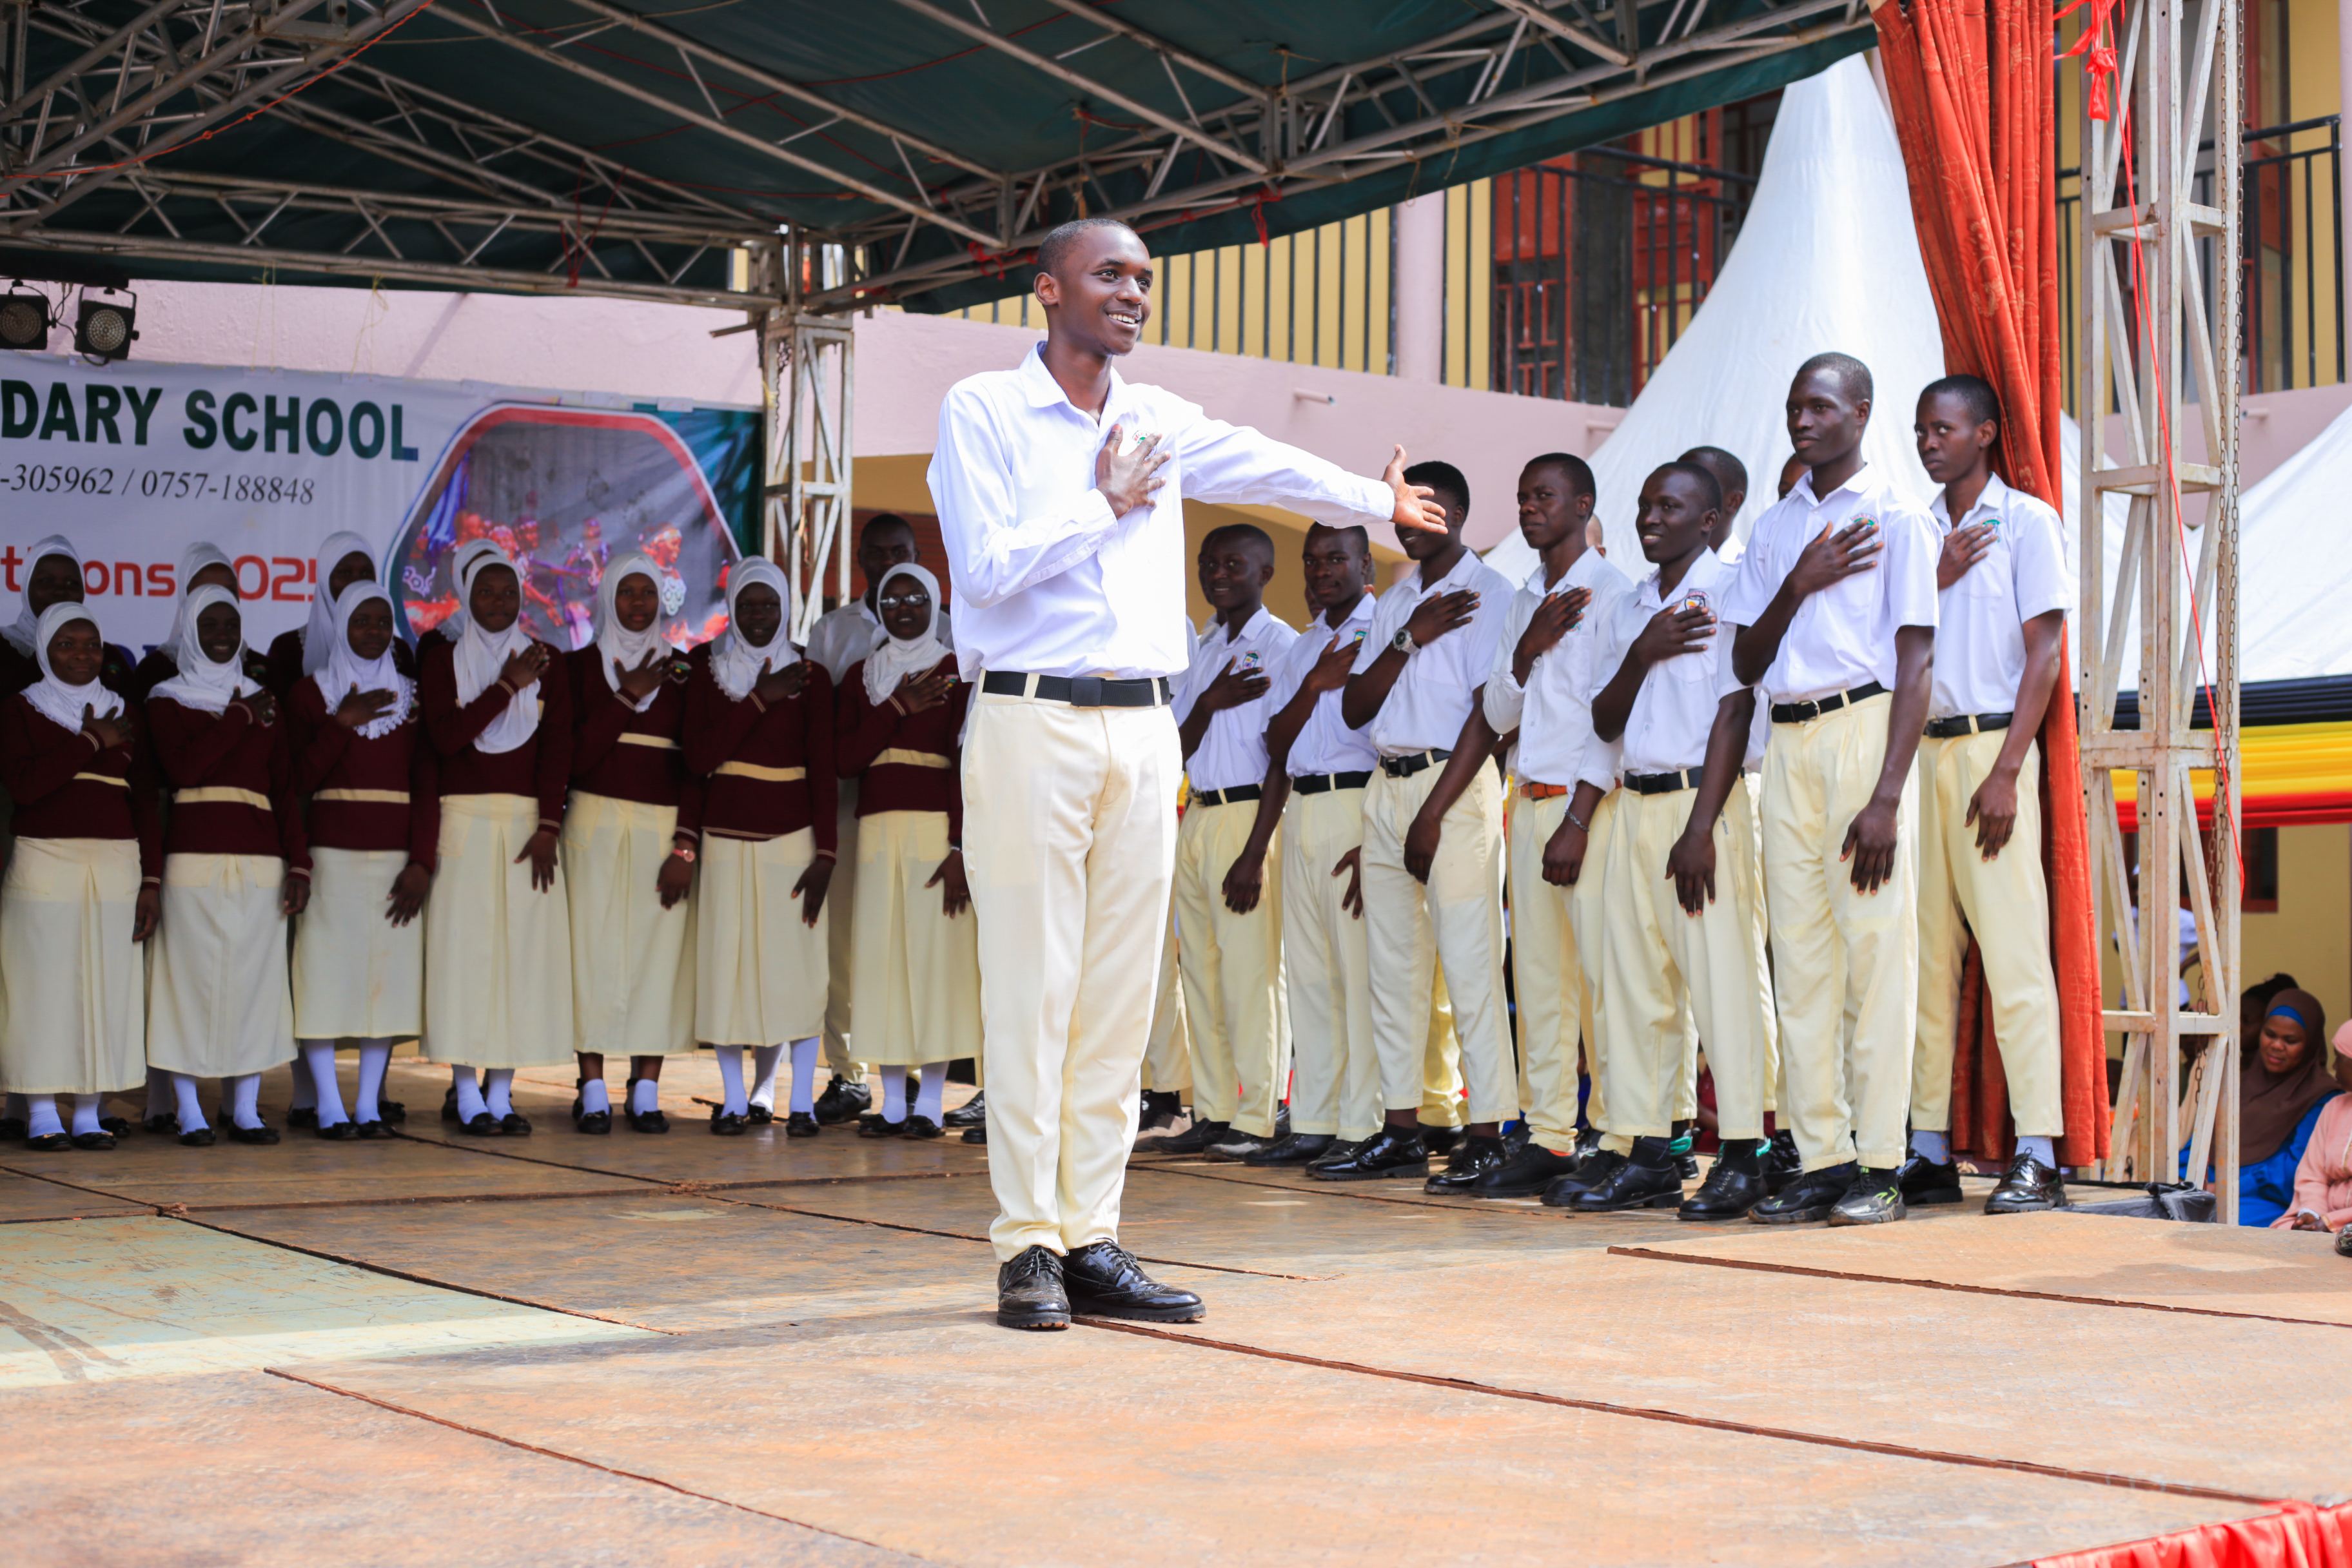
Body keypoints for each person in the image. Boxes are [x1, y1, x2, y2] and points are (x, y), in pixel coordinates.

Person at [930, 214, 1441, 1330]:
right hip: (1028, 719)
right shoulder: (983, 410)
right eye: (1108, 274)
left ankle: (1092, 1234)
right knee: (1033, 989)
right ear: (1047, 291)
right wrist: (1101, 503)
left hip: (1139, 729)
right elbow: (985, 569)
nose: (1131, 292)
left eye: (1143, 278)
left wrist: (1372, 497)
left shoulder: (1157, 418)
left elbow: (1262, 457)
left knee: (1117, 996)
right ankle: (1025, 1247)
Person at [1725, 351, 1938, 1226]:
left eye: (1819, 406)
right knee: (1802, 963)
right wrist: (1797, 582)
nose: (1801, 420)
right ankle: (1821, 1157)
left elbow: (1918, 661)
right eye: (1792, 406)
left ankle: (1883, 1164)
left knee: (1876, 958)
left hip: (1864, 730)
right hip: (1787, 741)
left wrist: (1888, 794)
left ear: (1860, 410)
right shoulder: (1776, 529)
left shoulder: (1898, 517)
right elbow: (1743, 659)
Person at [1577, 462, 1779, 1219]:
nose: (1651, 518)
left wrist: (1702, 825)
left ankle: (1744, 1153)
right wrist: (1643, 651)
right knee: (1637, 986)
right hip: (1636, 803)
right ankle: (1650, 1151)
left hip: (1705, 805)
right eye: (1645, 505)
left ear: (1710, 518)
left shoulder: (1732, 590)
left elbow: (1736, 710)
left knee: (1722, 983)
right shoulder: (1631, 604)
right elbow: (1602, 719)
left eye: (1672, 506)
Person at [1903, 375, 2073, 1214]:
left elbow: (2045, 653)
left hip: (1990, 747)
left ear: (1985, 433)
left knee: (2013, 956)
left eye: (1943, 428)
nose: (1928, 442)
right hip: (1922, 756)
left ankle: (2040, 1150)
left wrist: (2009, 769)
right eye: (1920, 430)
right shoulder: (1917, 531)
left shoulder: (2027, 522)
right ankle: (1927, 1146)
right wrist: (1929, 576)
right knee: (1925, 960)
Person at [1322, 460, 1515, 1185]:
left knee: (1469, 966)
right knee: (1391, 969)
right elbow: (1354, 706)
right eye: (1398, 510)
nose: (1404, 520)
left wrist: (1434, 812)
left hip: (1452, 787)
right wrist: (1410, 636)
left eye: (1421, 509)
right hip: (1388, 782)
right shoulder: (1398, 601)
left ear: (1455, 513)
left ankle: (1489, 1129)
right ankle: (1401, 1127)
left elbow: (1489, 717)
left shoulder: (1492, 594)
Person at [1471, 453, 1634, 1198]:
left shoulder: (1615, 594)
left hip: (1585, 806)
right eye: (1522, 496)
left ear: (1584, 504)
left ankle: (1619, 1133)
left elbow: (1615, 718)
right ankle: (1548, 1138)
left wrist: (1577, 816)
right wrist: (1531, 643)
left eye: (1545, 496)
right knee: (1539, 983)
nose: (1530, 508)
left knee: (1605, 979)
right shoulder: (1525, 599)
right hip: (1526, 800)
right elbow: (1498, 712)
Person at [1231, 524, 1382, 1168]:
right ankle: (1316, 1118)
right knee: (1313, 975)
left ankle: (1366, 1121)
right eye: (1312, 560)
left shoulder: (1384, 626)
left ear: (1364, 563)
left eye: (1336, 558)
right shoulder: (1308, 644)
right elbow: (1276, 742)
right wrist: (1317, 682)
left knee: (1361, 972)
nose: (1322, 570)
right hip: (1304, 806)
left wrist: (1376, 833)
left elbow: (1391, 738)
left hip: (1358, 803)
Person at [420, 550, 575, 1136]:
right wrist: (508, 685)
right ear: (465, 595)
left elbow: (557, 750)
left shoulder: (547, 661)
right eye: (485, 592)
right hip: (462, 822)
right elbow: (447, 739)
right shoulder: (441, 662)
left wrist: (548, 827)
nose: (498, 603)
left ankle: (502, 1093)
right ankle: (465, 1093)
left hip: (525, 829)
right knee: (465, 959)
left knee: (519, 958)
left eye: (508, 592)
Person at [144, 586, 306, 1145]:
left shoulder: (266, 699)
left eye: (230, 624)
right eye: (209, 624)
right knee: (186, 984)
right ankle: (189, 1109)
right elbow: (185, 769)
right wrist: (238, 715)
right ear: (189, 630)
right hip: (192, 859)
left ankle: (246, 1109)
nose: (221, 634)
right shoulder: (166, 699)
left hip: (261, 861)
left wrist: (300, 864)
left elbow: (284, 789)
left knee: (255, 987)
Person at [805, 513, 951, 1126]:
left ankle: (920, 1082)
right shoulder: (834, 631)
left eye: (903, 553)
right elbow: (823, 727)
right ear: (860, 559)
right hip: (851, 804)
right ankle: (849, 1073)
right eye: (878, 554)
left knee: (921, 945)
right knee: (850, 944)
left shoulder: (953, 633)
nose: (891, 564)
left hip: (928, 810)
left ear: (920, 555)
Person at [0, 605, 162, 1150]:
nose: (81, 654)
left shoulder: (128, 712)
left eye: (91, 644)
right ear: (44, 648)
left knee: (106, 986)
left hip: (117, 862)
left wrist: (152, 881)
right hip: (44, 858)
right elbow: (26, 786)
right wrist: (92, 742)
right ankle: (42, 1110)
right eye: (66, 643)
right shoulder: (20, 710)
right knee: (41, 986)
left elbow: (144, 802)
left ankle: (90, 1111)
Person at [1161, 524, 1298, 1161]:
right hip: (1199, 812)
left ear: (1265, 572)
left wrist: (1255, 850)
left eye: (1235, 563)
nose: (1218, 573)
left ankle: (1259, 1111)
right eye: (1208, 562)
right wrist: (1210, 701)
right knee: (1203, 973)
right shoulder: (1204, 645)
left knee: (1251, 975)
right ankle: (1213, 1109)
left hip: (1250, 815)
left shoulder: (1282, 646)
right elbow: (1178, 745)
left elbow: (1284, 756)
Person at [685, 558, 835, 1135]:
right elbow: (699, 758)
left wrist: (827, 856)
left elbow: (823, 772)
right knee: (727, 970)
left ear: (785, 609)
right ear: (731, 608)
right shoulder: (707, 668)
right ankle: (730, 1100)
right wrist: (759, 699)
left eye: (768, 605)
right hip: (723, 841)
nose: (757, 616)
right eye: (747, 605)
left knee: (795, 971)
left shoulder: (812, 676)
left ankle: (799, 1101)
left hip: (792, 842)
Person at [286, 580, 436, 1139]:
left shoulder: (413, 695)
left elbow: (426, 781)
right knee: (324, 980)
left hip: (396, 862)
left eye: (382, 621)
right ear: (340, 628)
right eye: (361, 622)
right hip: (331, 859)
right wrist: (341, 722)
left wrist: (422, 861)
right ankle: (328, 1105)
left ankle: (368, 1104)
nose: (373, 632)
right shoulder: (311, 694)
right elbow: (297, 779)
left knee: (386, 983)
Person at [836, 562, 975, 1139]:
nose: (904, 608)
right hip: (874, 833)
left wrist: (961, 846)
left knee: (933, 964)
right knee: (882, 964)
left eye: (916, 597)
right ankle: (893, 1105)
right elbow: (845, 761)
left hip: (934, 834)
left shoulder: (956, 672)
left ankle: (930, 1105)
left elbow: (967, 765)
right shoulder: (860, 678)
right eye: (891, 600)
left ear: (936, 604)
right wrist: (896, 708)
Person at [563, 552, 699, 1135]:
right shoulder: (576, 669)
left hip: (663, 828)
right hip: (592, 824)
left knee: (656, 953)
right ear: (607, 598)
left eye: (648, 592)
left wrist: (686, 846)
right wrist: (628, 693)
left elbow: (697, 766)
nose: (638, 603)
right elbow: (574, 758)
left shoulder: (686, 671)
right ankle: (590, 1085)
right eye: (627, 592)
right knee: (588, 952)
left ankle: (646, 1087)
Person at [2194, 988, 2340, 1226]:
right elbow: (2201, 1138)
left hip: (2267, 1200)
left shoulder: (2322, 1097)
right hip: (2209, 1188)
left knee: (2214, 1224)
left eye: (2290, 1040)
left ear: (2310, 1044)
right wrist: (2185, 1175)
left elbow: (2296, 1167)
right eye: (2270, 1034)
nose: (2277, 1046)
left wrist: (2228, 1186)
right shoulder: (2238, 1082)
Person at [265, 533, 418, 698]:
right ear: (325, 577)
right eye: (345, 573)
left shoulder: (399, 651)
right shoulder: (287, 649)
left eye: (366, 573)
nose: (357, 582)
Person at [0, 536, 136, 699]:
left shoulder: (109, 656)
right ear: (26, 587)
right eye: (46, 581)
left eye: (72, 583)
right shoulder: (4, 648)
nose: (60, 591)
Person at [130, 544, 262, 702]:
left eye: (230, 591)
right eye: (206, 591)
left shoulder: (262, 668)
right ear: (185, 598)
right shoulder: (155, 670)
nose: (219, 597)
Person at [2273, 1022, 2352, 1233]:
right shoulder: (2334, 1108)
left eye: (2340, 1058)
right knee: (2281, 1235)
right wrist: (2311, 1213)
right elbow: (2312, 1173)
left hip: (2344, 1223)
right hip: (2324, 1215)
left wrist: (2330, 1223)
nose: (2334, 1066)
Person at [1678, 446, 1749, 554]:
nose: (1677, 496)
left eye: (1695, 485)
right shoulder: (1661, 571)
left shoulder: (1751, 569)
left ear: (1733, 501)